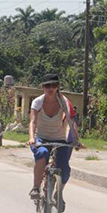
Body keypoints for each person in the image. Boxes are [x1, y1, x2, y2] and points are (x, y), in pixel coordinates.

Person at [27, 74, 81, 204]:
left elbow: (71, 121)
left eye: (54, 85)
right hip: (41, 138)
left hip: (59, 139)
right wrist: (31, 138)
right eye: (47, 86)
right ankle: (35, 188)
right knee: (42, 153)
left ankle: (58, 193)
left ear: (58, 87)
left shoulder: (64, 102)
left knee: (65, 169)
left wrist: (76, 140)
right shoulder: (37, 102)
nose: (50, 89)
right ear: (42, 87)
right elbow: (32, 122)